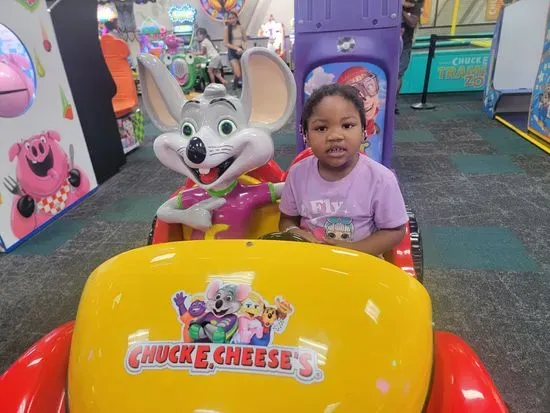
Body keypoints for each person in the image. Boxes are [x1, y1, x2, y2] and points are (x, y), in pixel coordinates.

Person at [279, 84, 408, 257]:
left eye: (347, 125)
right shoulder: (297, 174)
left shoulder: (381, 179)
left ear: (363, 131)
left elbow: (395, 230)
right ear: (306, 136)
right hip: (310, 260)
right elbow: (287, 219)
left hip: (361, 263)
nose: (335, 136)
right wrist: (294, 232)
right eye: (321, 128)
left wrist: (353, 250)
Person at [397, 0, 423, 114]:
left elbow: (412, 22)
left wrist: (400, 9)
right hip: (388, 43)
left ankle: (393, 104)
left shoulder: (415, 5)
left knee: (398, 74)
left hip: (405, 45)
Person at [224, 11, 247, 89]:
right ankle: (235, 85)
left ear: (237, 18)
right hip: (232, 52)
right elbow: (226, 43)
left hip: (241, 51)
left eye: (233, 18)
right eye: (229, 18)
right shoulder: (226, 28)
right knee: (238, 74)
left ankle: (239, 87)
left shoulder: (241, 27)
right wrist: (236, 48)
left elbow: (245, 40)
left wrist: (243, 49)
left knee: (243, 72)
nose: (231, 20)